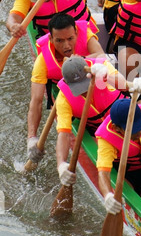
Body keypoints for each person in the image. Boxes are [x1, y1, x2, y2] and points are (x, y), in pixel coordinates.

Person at [27, 13, 106, 167]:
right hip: (70, 96)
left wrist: (78, 61)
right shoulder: (42, 61)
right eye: (59, 41)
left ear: (76, 32)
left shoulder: (86, 35)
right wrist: (32, 137)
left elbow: (102, 56)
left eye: (70, 38)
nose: (67, 46)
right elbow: (36, 102)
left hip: (94, 87)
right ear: (51, 39)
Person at [55, 55, 130, 186]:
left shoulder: (102, 68)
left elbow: (125, 85)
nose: (84, 92)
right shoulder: (63, 99)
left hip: (126, 120)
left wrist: (106, 77)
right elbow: (64, 133)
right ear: (68, 84)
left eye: (85, 85)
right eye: (79, 89)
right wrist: (61, 164)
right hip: (102, 135)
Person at [94, 78, 141, 214]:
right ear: (117, 128)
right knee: (126, 204)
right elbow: (103, 172)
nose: (138, 132)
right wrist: (108, 196)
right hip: (125, 172)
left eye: (140, 126)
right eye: (132, 129)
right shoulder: (106, 139)